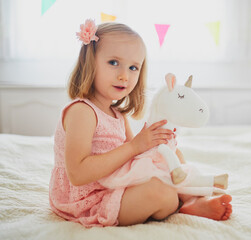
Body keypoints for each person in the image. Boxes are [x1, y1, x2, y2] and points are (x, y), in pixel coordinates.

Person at [49, 19, 232, 227]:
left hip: (114, 184)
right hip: (89, 199)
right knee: (161, 193)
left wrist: (152, 143)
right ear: (90, 62)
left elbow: (133, 156)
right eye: (113, 62)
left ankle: (193, 199)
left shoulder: (117, 113)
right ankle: (183, 202)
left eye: (133, 67)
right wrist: (135, 146)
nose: (123, 75)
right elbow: (78, 174)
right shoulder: (82, 112)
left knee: (173, 158)